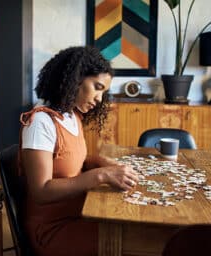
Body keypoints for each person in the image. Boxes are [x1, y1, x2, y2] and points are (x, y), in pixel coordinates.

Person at [19, 45, 139, 256]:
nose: (99, 99)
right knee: (133, 240)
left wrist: (107, 165)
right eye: (97, 87)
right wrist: (101, 175)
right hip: (52, 229)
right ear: (75, 79)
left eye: (104, 92)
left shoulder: (72, 116)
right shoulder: (40, 123)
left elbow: (77, 161)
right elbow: (41, 191)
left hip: (79, 212)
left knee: (135, 230)